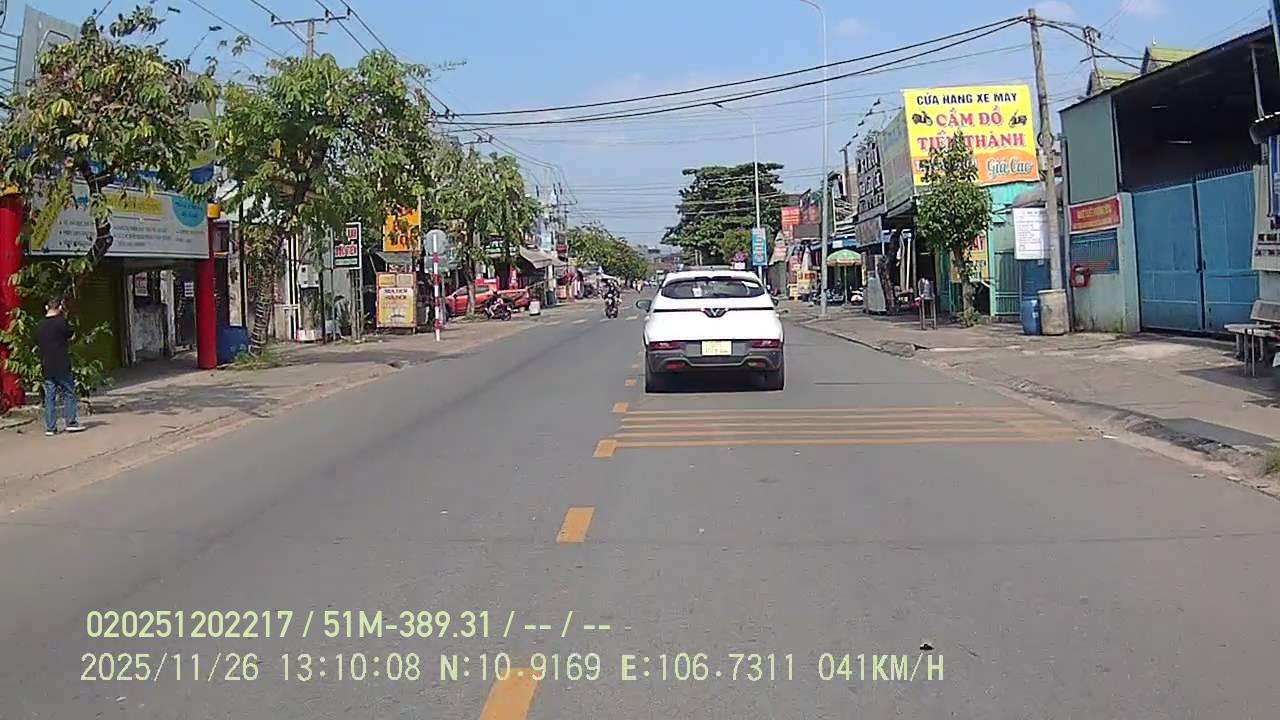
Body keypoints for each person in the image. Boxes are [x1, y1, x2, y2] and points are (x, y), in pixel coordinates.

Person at [34, 297, 83, 436]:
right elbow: (71, 335)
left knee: (50, 397)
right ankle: (71, 423)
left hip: (47, 365)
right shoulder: (61, 322)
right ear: (59, 307)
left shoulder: (39, 325)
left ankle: (51, 428)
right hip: (62, 364)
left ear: (46, 307)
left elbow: (36, 341)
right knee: (68, 392)